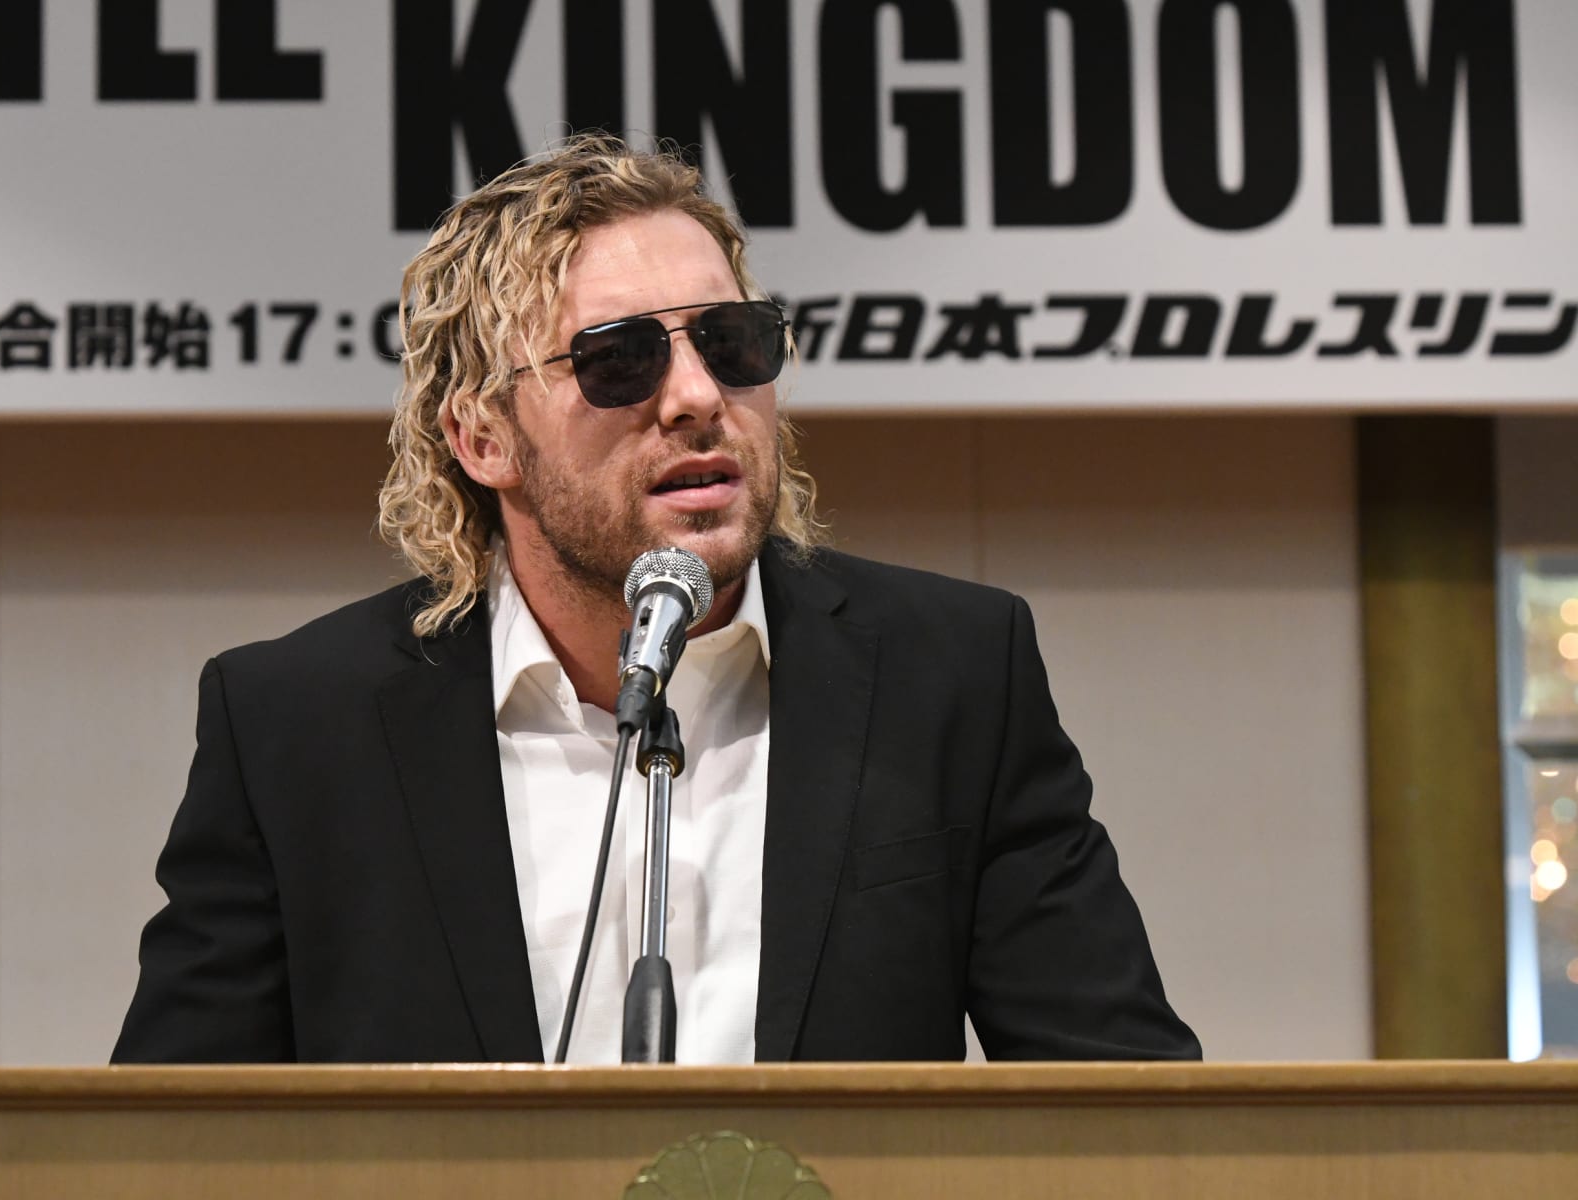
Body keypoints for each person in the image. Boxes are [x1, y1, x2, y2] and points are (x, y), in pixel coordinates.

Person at [112, 134, 1200, 1065]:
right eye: (618, 361)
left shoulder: (953, 675)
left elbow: (1128, 1111)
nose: (695, 399)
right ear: (482, 435)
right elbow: (166, 1152)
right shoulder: (297, 726)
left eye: (731, 345)